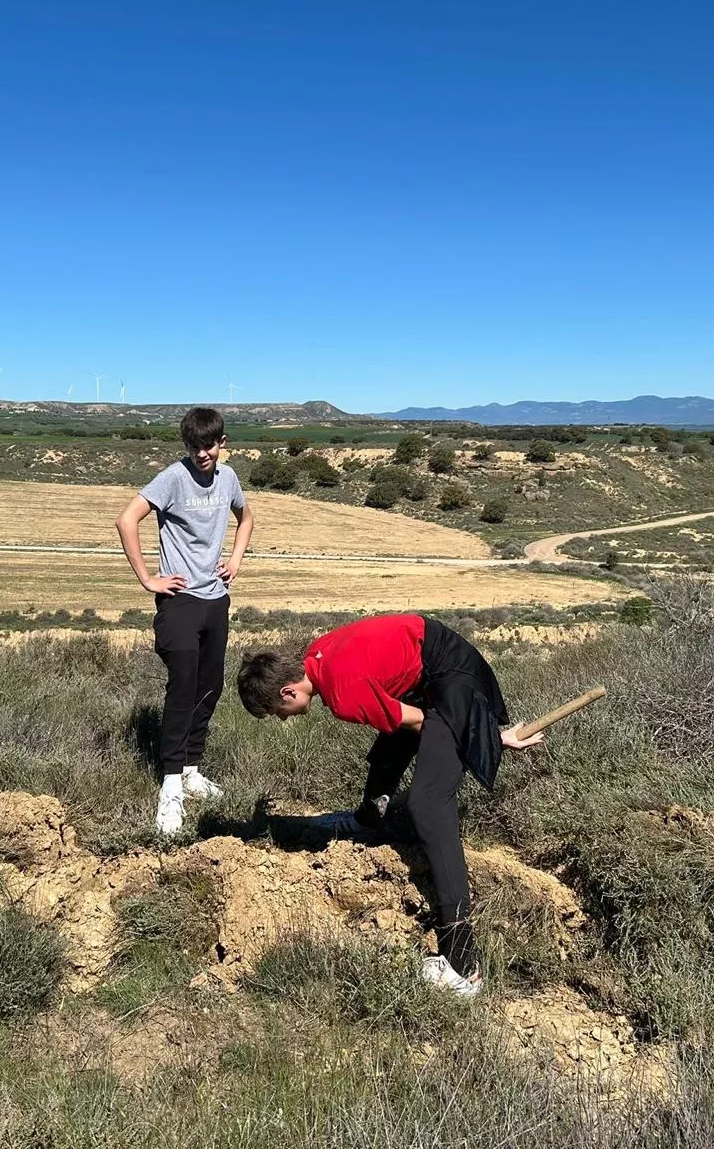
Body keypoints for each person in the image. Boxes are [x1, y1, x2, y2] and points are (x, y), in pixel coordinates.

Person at [235, 614, 543, 997]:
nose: (283, 720)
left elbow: (420, 721)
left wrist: (481, 732)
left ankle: (464, 964)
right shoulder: (317, 655)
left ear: (287, 692)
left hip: (453, 677)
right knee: (387, 748)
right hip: (436, 664)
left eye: (276, 713)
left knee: (428, 806)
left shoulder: (343, 694)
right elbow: (395, 711)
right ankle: (369, 819)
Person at [116, 407, 254, 835]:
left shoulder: (228, 479)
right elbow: (126, 520)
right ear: (186, 446)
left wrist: (234, 558)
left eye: (208, 446)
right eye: (194, 446)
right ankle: (170, 786)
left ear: (222, 443)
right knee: (183, 683)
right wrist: (147, 579)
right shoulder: (171, 478)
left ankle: (193, 768)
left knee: (209, 686)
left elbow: (246, 517)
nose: (201, 454)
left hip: (216, 599)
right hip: (178, 600)